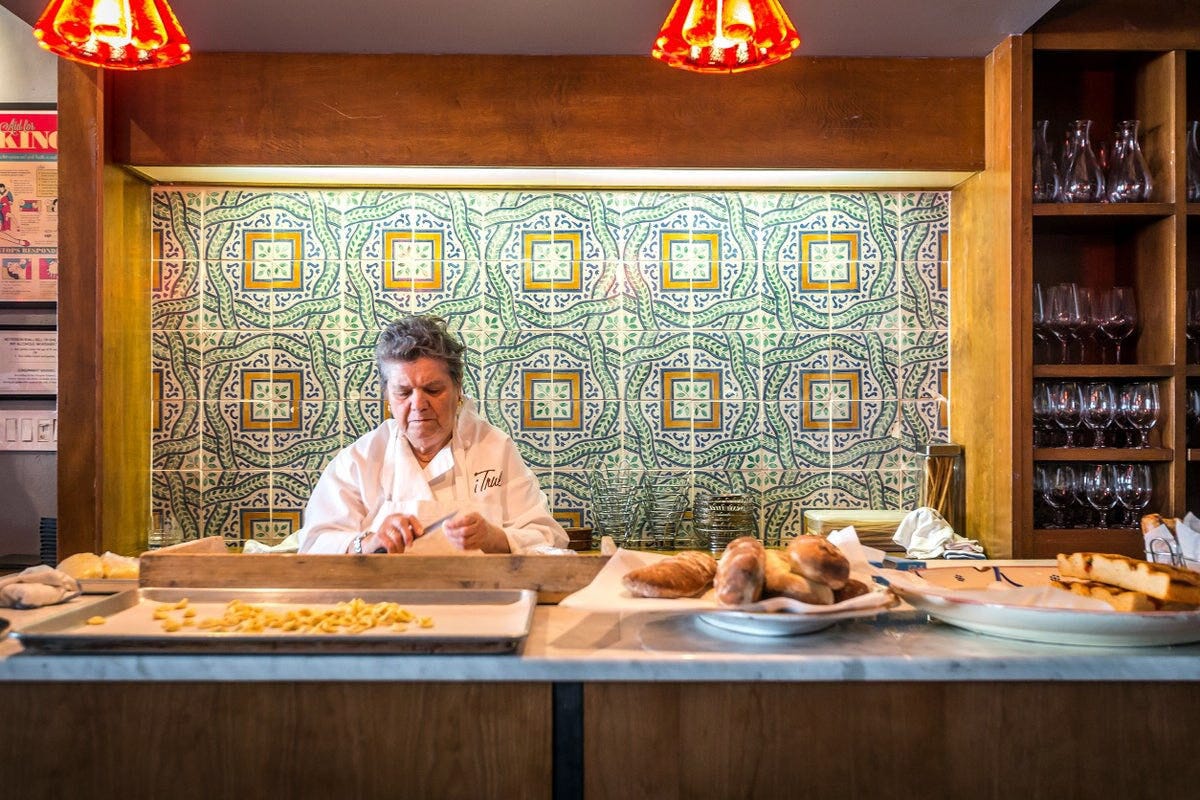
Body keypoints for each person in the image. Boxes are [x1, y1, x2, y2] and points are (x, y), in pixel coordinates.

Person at [298, 315, 567, 554]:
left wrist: (493, 538)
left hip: (482, 602)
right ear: (387, 396)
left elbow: (548, 539)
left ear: (457, 388)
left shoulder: (494, 449)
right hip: (380, 606)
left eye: (433, 390)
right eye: (403, 392)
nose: (418, 404)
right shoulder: (359, 460)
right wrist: (368, 542)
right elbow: (313, 544)